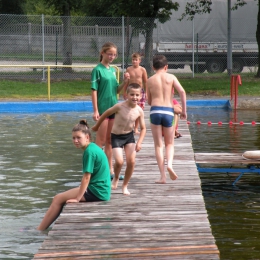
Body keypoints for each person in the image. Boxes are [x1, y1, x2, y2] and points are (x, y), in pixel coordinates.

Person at [37, 120, 111, 231]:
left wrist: (77, 198)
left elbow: (86, 177)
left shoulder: (89, 152)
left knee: (58, 199)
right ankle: (42, 227)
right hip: (100, 189)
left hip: (97, 192)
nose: (75, 141)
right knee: (60, 198)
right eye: (73, 138)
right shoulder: (93, 147)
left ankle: (39, 230)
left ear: (87, 137)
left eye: (78, 137)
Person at [92, 83, 146, 195]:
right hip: (116, 137)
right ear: (126, 95)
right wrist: (97, 126)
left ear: (140, 96)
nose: (134, 97)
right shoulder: (119, 107)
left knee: (131, 162)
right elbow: (105, 113)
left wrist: (139, 142)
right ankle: (116, 177)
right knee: (119, 161)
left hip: (129, 137)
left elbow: (143, 128)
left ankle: (125, 186)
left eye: (137, 95)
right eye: (132, 95)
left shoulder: (139, 110)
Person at [91, 42, 130, 180]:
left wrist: (125, 83)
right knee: (99, 141)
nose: (112, 56)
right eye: (110, 54)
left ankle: (110, 170)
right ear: (103, 53)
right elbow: (94, 91)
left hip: (114, 109)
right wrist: (95, 110)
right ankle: (95, 170)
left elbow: (116, 90)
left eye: (114, 54)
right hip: (103, 110)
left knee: (109, 140)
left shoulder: (113, 70)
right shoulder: (97, 70)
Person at [147, 55, 187, 184]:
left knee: (158, 145)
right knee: (169, 143)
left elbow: (149, 101)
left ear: (153, 67)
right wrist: (184, 111)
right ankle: (170, 165)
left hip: (155, 110)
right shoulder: (171, 77)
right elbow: (182, 92)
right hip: (168, 111)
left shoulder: (150, 80)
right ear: (166, 67)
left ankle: (162, 176)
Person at [123, 52, 148, 134]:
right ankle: (129, 126)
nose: (134, 61)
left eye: (136, 60)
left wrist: (147, 92)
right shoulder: (129, 69)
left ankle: (136, 128)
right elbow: (126, 82)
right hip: (131, 91)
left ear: (139, 61)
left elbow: (145, 82)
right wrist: (124, 92)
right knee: (129, 109)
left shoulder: (142, 70)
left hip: (140, 91)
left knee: (138, 110)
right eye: (133, 60)